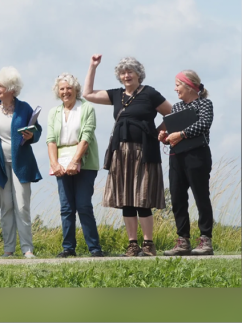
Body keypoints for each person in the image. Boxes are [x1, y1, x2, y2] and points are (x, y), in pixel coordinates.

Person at [83, 55, 172, 257]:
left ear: (138, 74)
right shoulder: (116, 95)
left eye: (130, 71)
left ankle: (148, 244)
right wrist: (92, 66)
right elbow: (87, 93)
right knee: (127, 200)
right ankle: (132, 244)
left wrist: (159, 132)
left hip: (144, 152)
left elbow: (171, 113)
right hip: (120, 153)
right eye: (123, 72)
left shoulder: (150, 93)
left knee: (143, 198)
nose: (126, 75)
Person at [0, 67, 42, 259]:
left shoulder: (24, 108)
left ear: (12, 89)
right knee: (6, 206)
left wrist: (32, 134)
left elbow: (37, 130)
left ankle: (27, 248)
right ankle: (8, 249)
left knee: (22, 206)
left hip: (21, 164)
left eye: (2, 85)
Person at [46, 73, 104, 258]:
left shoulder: (86, 108)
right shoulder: (54, 112)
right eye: (62, 89)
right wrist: (54, 164)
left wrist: (75, 161)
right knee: (66, 207)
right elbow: (51, 140)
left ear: (75, 90)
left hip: (84, 162)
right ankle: (68, 248)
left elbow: (87, 136)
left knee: (83, 205)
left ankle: (94, 248)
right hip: (61, 163)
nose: (65, 92)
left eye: (68, 88)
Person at [160, 70, 214, 256]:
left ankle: (205, 239)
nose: (175, 89)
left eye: (178, 85)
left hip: (197, 156)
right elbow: (171, 133)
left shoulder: (205, 103)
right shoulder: (176, 107)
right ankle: (183, 241)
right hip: (176, 157)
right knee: (177, 198)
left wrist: (181, 134)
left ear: (190, 85)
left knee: (201, 197)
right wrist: (165, 137)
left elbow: (204, 124)